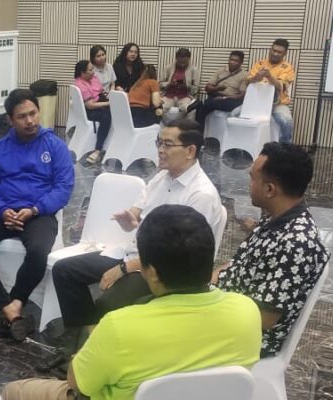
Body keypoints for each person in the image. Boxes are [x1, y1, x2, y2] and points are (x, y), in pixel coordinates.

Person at [2, 205, 262, 400]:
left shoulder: (120, 326)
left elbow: (77, 382)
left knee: (13, 399)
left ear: (152, 273)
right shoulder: (247, 312)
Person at [48, 119, 223, 365]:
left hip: (164, 272)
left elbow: (174, 254)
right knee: (65, 271)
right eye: (159, 143)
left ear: (190, 151)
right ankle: (84, 342)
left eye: (168, 145)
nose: (160, 150)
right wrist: (129, 219)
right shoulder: (162, 178)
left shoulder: (200, 194)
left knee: (107, 304)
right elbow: (137, 213)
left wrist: (123, 269)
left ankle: (85, 354)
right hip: (134, 256)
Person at [0, 89, 75, 342]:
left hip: (39, 213)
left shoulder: (55, 146)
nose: (30, 121)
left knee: (38, 250)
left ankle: (17, 301)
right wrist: (1, 211)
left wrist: (35, 209)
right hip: (5, 213)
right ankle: (6, 306)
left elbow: (63, 187)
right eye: (22, 116)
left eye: (33, 113)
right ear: (10, 120)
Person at [215, 142, 329, 357]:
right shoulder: (276, 219)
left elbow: (264, 318)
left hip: (244, 342)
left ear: (270, 189)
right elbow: (237, 265)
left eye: (252, 178)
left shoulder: (296, 244)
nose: (249, 184)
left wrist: (206, 309)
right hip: (226, 314)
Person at [247, 38, 296, 143]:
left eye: (279, 52)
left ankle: (285, 147)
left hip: (277, 104)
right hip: (256, 103)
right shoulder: (260, 64)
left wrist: (269, 77)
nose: (275, 54)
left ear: (284, 54)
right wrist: (256, 78)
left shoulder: (287, 68)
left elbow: (280, 87)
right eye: (274, 50)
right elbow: (248, 82)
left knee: (286, 122)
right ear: (270, 49)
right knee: (233, 115)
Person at [195, 50, 249, 132]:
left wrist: (224, 98)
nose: (232, 62)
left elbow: (241, 95)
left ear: (241, 63)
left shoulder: (244, 75)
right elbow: (208, 87)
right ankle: (199, 133)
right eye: (231, 59)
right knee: (200, 109)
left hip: (232, 99)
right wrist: (217, 88)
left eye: (236, 61)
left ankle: (206, 104)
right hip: (217, 96)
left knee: (209, 103)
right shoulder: (221, 71)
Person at [73, 60, 111, 166]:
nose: (93, 72)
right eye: (90, 70)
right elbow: (90, 105)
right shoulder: (81, 85)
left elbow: (100, 91)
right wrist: (109, 103)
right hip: (90, 111)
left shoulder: (92, 78)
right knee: (106, 117)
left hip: (100, 101)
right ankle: (98, 149)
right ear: (82, 73)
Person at [158, 48, 199, 122]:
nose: (182, 64)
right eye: (180, 62)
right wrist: (169, 83)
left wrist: (186, 86)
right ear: (176, 58)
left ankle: (187, 127)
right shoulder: (168, 68)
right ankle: (164, 126)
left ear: (189, 59)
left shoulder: (194, 70)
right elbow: (159, 84)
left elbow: (196, 88)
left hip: (185, 96)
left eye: (185, 62)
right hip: (168, 96)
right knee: (161, 108)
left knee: (188, 109)